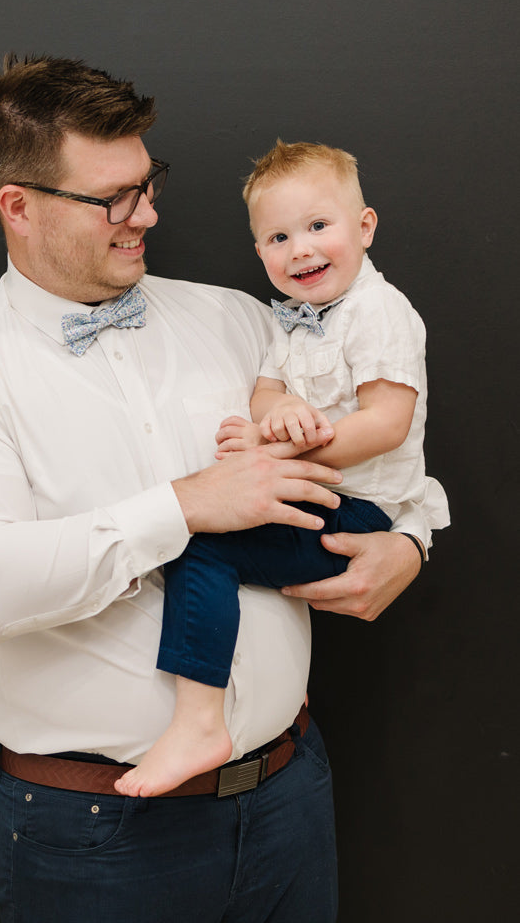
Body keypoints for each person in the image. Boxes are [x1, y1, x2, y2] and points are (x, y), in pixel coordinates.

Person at [0, 55, 444, 923]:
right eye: (113, 197)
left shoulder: (237, 318)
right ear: (19, 206)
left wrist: (407, 543)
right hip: (97, 837)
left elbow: (374, 436)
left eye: (148, 184)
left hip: (290, 793)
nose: (147, 214)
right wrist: (183, 506)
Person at [115, 141, 449, 799]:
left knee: (202, 552)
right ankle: (202, 717)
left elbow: (386, 423)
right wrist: (279, 414)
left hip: (356, 509)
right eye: (277, 236)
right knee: (203, 543)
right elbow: (265, 394)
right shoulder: (289, 324)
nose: (299, 249)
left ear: (364, 226)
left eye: (317, 226)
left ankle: (198, 721)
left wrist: (283, 452)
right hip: (322, 490)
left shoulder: (375, 313)